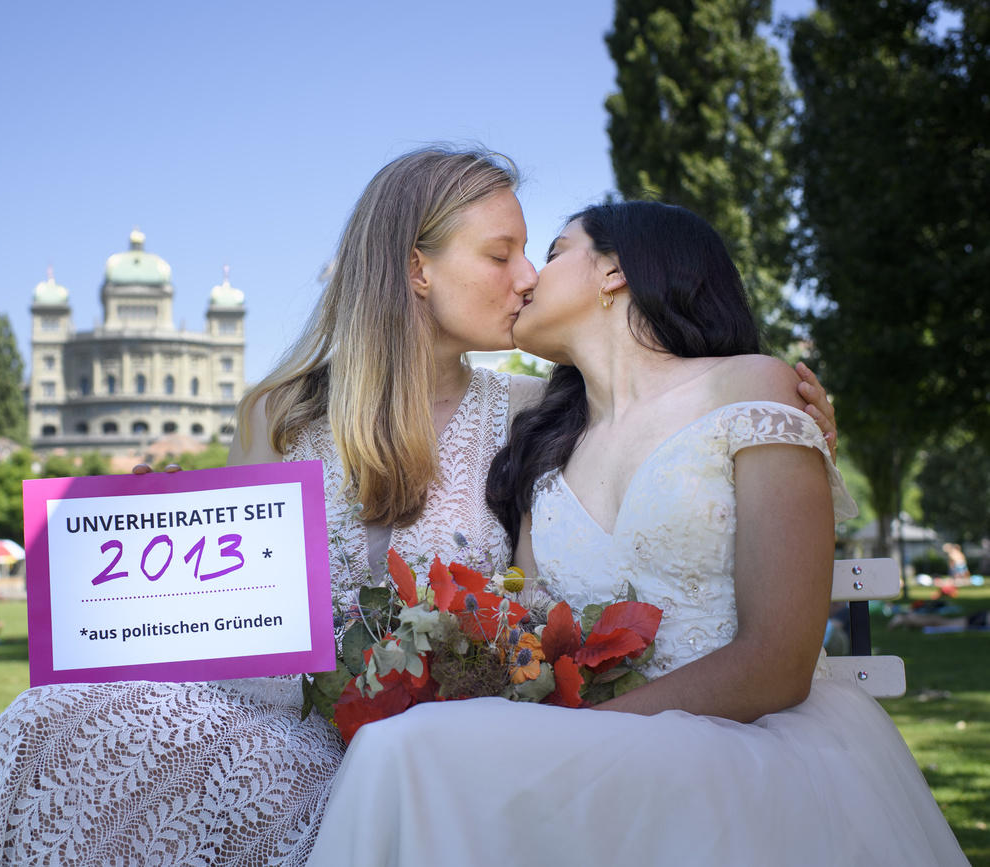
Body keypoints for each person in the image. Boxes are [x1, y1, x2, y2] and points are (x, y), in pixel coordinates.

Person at [0, 149, 837, 865]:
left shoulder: (541, 409)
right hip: (286, 718)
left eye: (532, 255)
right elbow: (220, 628)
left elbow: (671, 426)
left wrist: (782, 411)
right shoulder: (279, 410)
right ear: (417, 269)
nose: (525, 280)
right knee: (60, 715)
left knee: (122, 738)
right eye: (501, 253)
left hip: (441, 745)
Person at [308, 202, 966, 865]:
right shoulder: (543, 449)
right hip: (597, 751)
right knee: (404, 746)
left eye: (556, 250)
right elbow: (534, 638)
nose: (531, 275)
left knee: (405, 750)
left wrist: (577, 734)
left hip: (752, 746)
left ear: (614, 270)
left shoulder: (754, 385)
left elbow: (779, 661)